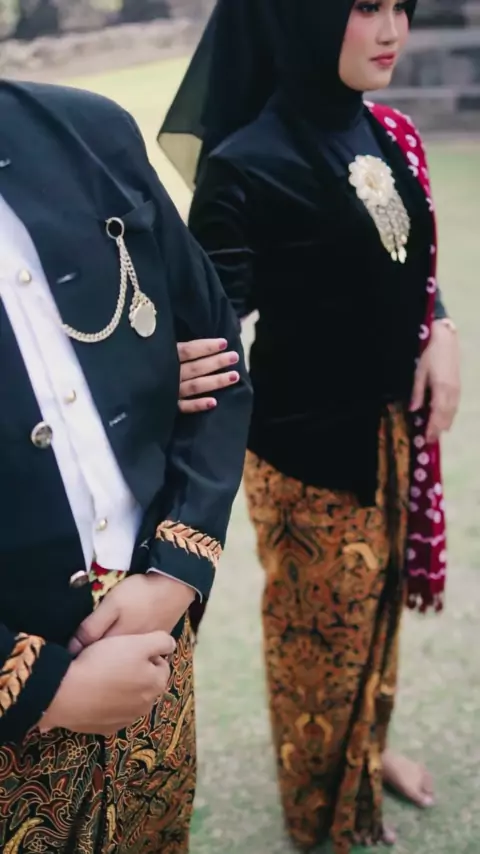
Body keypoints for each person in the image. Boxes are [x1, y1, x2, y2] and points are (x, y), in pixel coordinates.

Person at [161, 0, 461, 849]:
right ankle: (323, 817)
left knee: (379, 623)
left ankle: (368, 755)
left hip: (391, 435)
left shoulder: (384, 132)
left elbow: (410, 264)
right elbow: (207, 329)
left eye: (400, 5)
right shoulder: (246, 165)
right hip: (307, 462)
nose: (393, 30)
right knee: (318, 651)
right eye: (366, 7)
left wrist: (440, 328)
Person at [0, 79, 252, 854]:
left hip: (152, 638)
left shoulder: (90, 131)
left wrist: (175, 573)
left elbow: (216, 359)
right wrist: (43, 689)